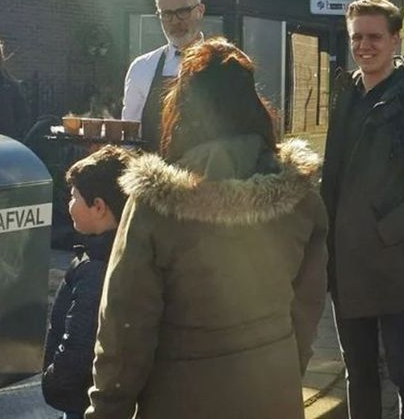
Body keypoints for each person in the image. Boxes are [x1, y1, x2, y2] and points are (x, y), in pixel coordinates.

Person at [87, 38, 328, 419]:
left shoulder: (155, 205)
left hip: (181, 397)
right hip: (273, 392)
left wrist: (107, 409)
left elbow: (125, 325)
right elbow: (308, 302)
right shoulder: (300, 198)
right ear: (255, 107)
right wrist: (286, 363)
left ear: (181, 110)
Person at [321, 0, 404, 419]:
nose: (365, 46)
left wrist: (384, 230)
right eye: (357, 37)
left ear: (395, 39)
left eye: (374, 36)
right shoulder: (346, 95)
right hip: (344, 264)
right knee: (358, 373)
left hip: (394, 263)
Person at [42, 146, 133, 419]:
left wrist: (53, 381)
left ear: (98, 207)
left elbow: (79, 345)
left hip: (81, 402)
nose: (69, 205)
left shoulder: (95, 267)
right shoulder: (121, 254)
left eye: (74, 196)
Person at [122, 0, 206, 150]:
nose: (174, 21)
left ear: (200, 10)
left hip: (210, 175)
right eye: (166, 14)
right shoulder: (142, 68)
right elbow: (129, 139)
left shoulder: (227, 64)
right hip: (154, 174)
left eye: (182, 11)